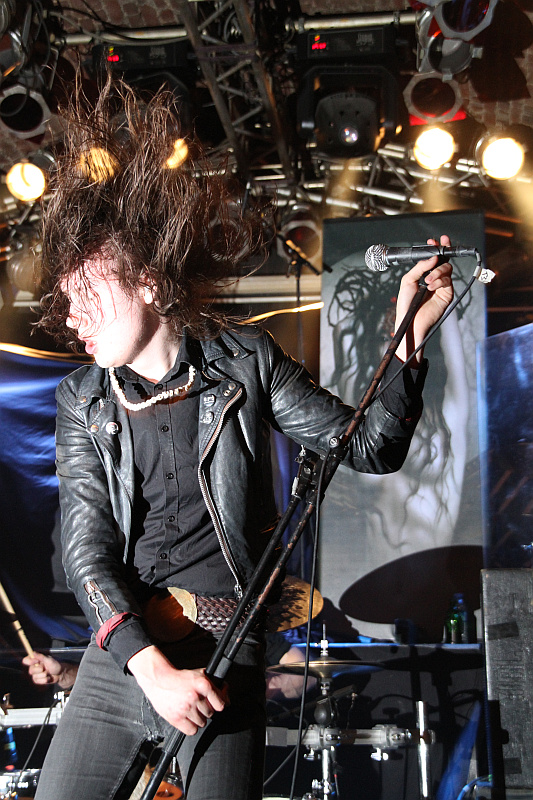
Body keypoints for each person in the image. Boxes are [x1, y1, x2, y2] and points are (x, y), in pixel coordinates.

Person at [31, 76, 454, 800]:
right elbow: (85, 551)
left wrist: (407, 342)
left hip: (224, 653)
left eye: (88, 294)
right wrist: (149, 668)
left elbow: (366, 446)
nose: (73, 316)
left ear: (148, 283)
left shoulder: (245, 362)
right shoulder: (82, 400)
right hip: (125, 657)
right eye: (67, 299)